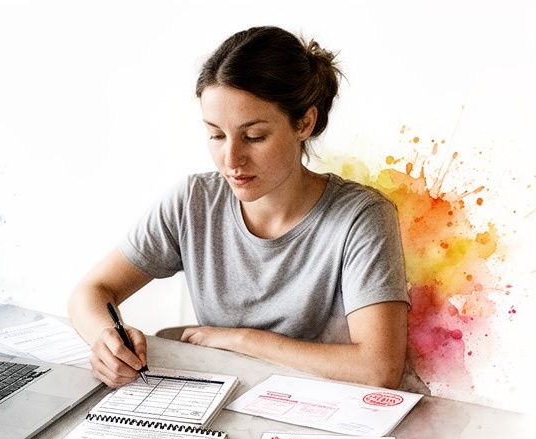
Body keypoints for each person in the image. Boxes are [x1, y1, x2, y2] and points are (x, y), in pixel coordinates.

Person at [68, 26, 410, 389]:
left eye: (254, 137)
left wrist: (243, 340)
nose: (231, 159)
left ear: (305, 123)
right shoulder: (192, 202)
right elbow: (91, 291)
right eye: (216, 135)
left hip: (325, 421)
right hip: (224, 406)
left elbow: (378, 368)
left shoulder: (362, 217)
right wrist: (104, 339)